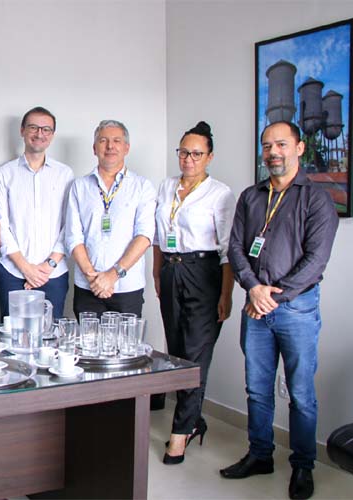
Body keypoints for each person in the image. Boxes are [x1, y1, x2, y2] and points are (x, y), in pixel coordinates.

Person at [221, 121, 338, 500]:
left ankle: (303, 466)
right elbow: (236, 247)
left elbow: (315, 261)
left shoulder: (317, 199)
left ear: (299, 148)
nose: (273, 152)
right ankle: (260, 455)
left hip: (296, 310)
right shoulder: (251, 196)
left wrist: (273, 296)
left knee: (301, 393)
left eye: (282, 144)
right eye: (267, 145)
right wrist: (253, 288)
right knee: (257, 390)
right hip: (255, 307)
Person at [153, 121, 235, 464]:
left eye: (196, 153)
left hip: (204, 273)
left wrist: (226, 294)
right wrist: (157, 273)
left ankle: (179, 432)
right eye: (183, 152)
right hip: (171, 270)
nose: (188, 159)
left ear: (209, 157)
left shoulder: (220, 193)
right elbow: (158, 236)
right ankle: (195, 420)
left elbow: (229, 249)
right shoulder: (166, 186)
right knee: (176, 351)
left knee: (196, 354)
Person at [65, 120, 156, 317]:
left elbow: (144, 236)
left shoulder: (142, 186)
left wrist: (113, 275)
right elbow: (73, 237)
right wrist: (94, 278)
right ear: (94, 148)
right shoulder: (79, 187)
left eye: (116, 140)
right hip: (88, 287)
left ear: (126, 148)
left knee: (126, 347)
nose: (110, 146)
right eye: (103, 140)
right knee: (88, 347)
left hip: (126, 286)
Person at [0, 106, 73, 319]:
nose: (40, 134)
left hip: (54, 273)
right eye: (33, 127)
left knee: (51, 339)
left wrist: (49, 265)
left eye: (46, 129)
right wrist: (25, 268)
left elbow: (70, 225)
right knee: (13, 340)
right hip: (12, 271)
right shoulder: (4, 173)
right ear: (22, 131)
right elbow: (0, 225)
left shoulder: (65, 174)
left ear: (52, 135)